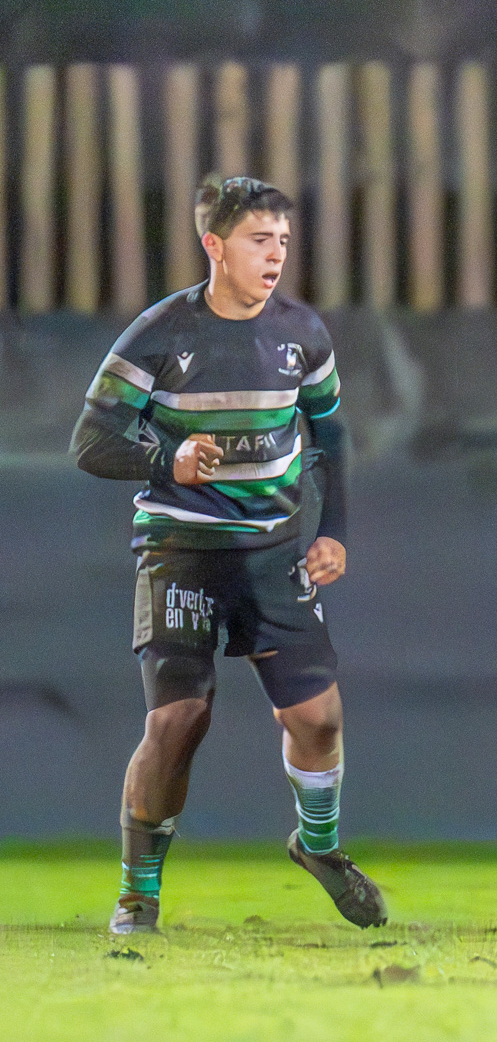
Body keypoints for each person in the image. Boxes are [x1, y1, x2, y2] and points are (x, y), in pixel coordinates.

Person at [72, 175, 382, 934]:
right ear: (214, 245)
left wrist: (333, 532)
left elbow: (330, 436)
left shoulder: (303, 333)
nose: (276, 255)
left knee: (318, 719)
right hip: (180, 549)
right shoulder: (160, 333)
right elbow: (90, 442)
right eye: (258, 240)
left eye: (283, 241)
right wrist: (165, 461)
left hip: (273, 552)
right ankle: (138, 892)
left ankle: (317, 847)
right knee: (179, 719)